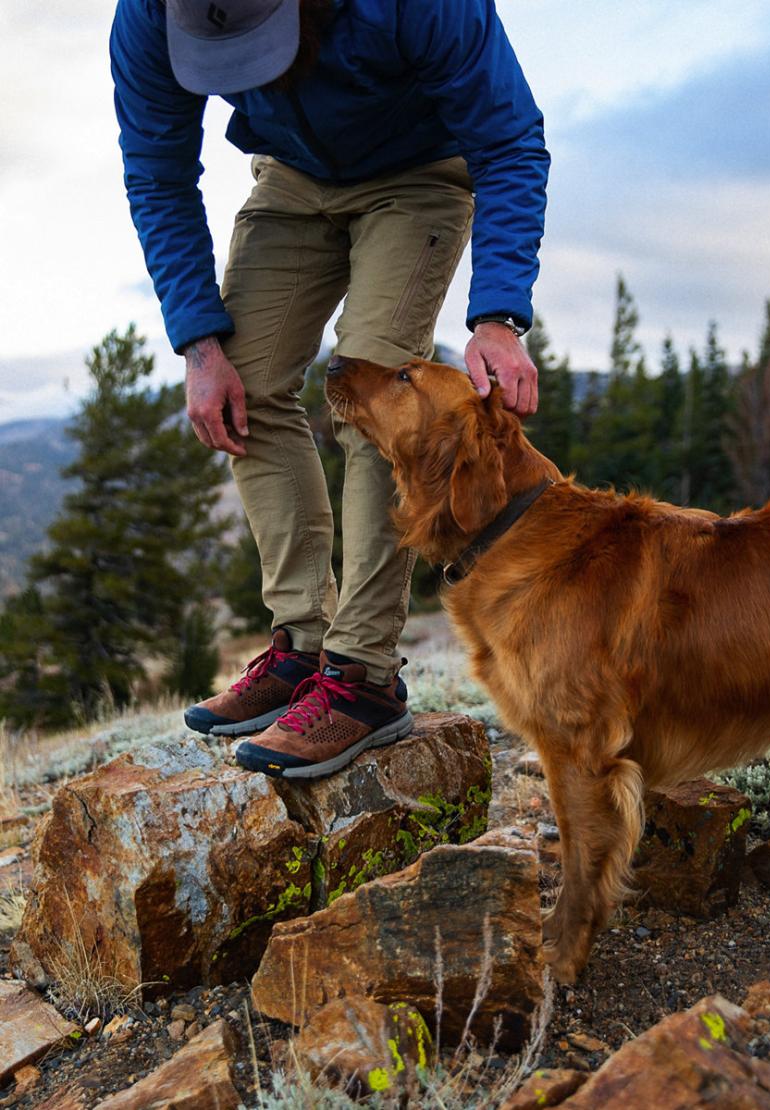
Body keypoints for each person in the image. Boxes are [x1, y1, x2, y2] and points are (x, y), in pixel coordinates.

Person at [109, 0, 548, 777]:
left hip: (417, 175)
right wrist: (199, 342)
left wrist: (500, 313)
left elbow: (508, 138)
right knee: (247, 384)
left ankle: (363, 677)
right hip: (291, 178)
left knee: (373, 400)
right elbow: (157, 173)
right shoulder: (149, 15)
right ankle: (301, 644)